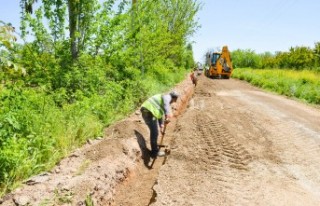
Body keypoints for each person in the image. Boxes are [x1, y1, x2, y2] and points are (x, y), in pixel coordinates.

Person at [140, 91, 179, 158]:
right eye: (174, 100)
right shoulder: (167, 97)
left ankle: (154, 148)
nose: (173, 102)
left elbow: (160, 114)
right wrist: (167, 115)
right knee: (155, 133)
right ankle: (155, 153)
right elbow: (166, 105)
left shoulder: (163, 100)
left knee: (155, 131)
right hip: (148, 112)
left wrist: (161, 125)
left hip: (148, 112)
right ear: (173, 98)